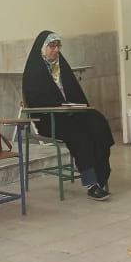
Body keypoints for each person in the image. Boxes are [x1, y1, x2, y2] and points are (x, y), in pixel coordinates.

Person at [22, 31, 116, 201]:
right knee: (78, 133)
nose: (56, 50)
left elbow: (76, 94)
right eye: (52, 46)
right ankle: (91, 183)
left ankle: (101, 174)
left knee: (98, 122)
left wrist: (73, 106)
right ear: (42, 48)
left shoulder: (61, 66)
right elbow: (35, 101)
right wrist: (59, 106)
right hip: (49, 119)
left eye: (58, 46)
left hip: (71, 114)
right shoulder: (33, 71)